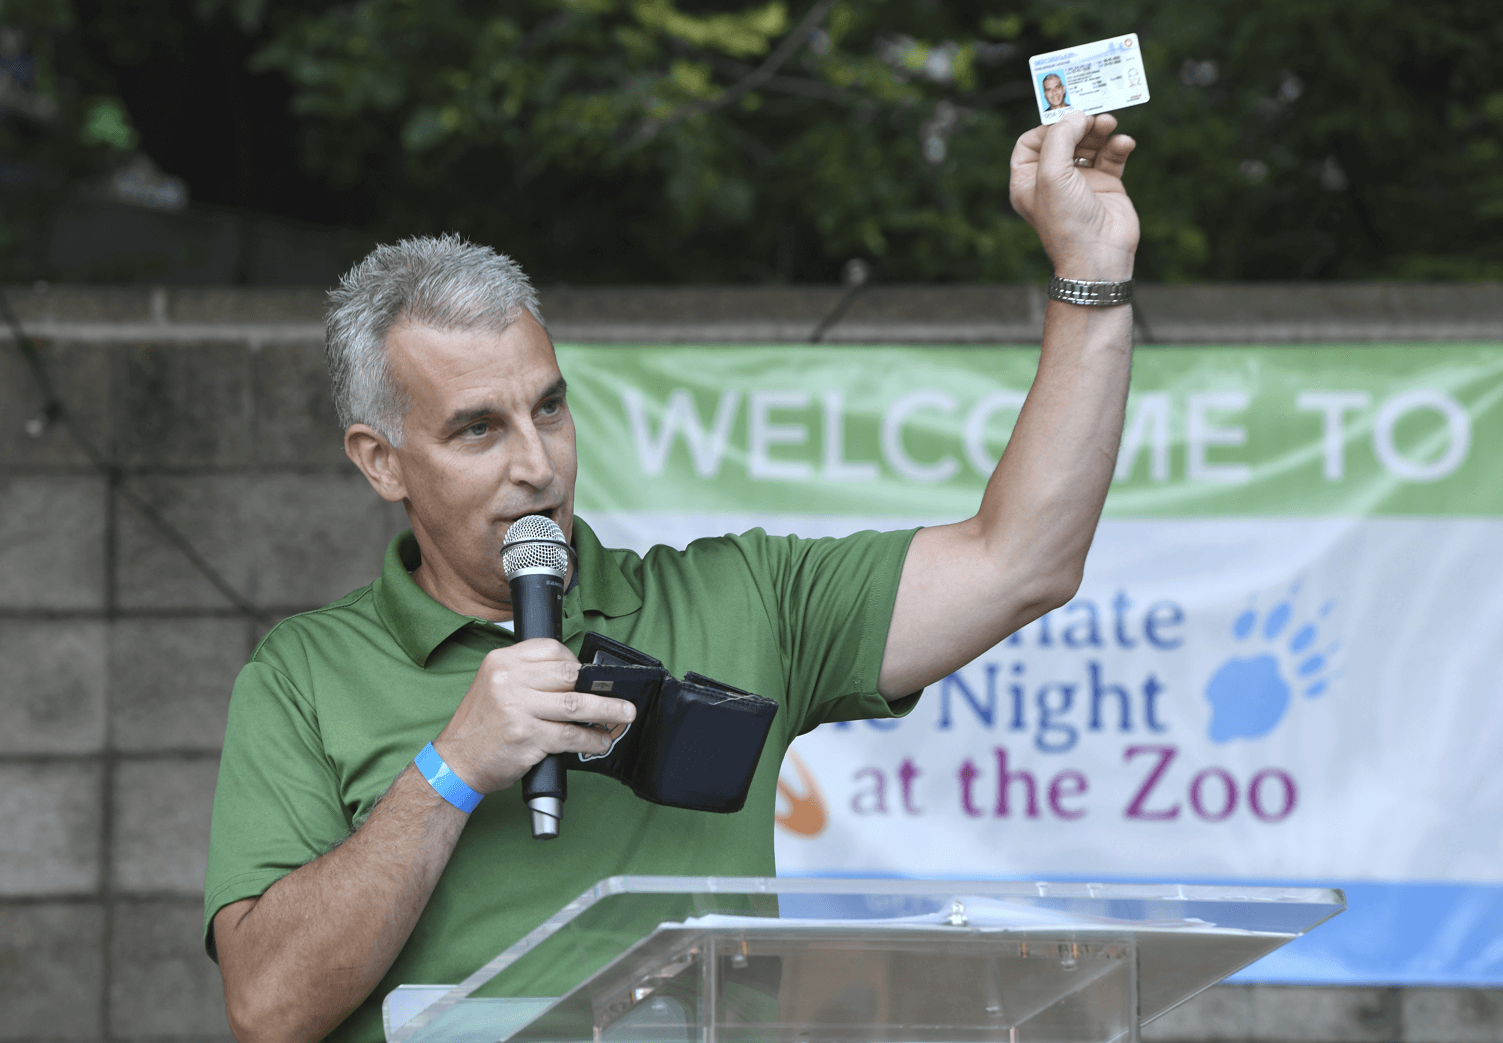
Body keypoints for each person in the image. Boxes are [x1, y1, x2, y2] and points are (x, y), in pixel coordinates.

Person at [206, 112, 1140, 1043]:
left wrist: (1091, 273)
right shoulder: (302, 676)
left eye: (551, 408)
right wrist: (450, 772)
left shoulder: (743, 597)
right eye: (478, 429)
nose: (537, 464)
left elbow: (1020, 563)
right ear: (381, 461)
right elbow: (268, 1009)